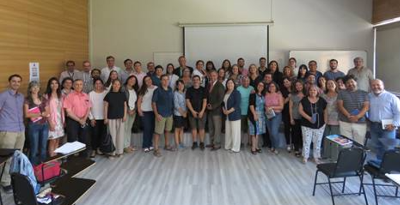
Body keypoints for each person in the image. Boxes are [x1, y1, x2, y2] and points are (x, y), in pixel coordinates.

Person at [0, 74, 25, 192]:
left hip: (20, 130)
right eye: (14, 81)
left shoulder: (21, 96)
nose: (16, 83)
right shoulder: (3, 96)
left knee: (17, 157)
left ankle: (14, 179)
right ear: (9, 82)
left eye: (18, 81)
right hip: (7, 131)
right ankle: (5, 182)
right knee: (7, 159)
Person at [368, 79, 400, 166]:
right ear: (371, 87)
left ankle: (388, 169)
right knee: (377, 146)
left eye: (378, 85)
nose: (375, 87)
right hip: (374, 125)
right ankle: (380, 166)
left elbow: (398, 113)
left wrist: (394, 125)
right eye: (373, 85)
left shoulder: (391, 97)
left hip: (388, 126)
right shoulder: (369, 96)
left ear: (383, 85)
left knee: (388, 148)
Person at [299, 85, 327, 164]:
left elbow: (325, 111)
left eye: (314, 90)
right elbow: (300, 111)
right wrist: (309, 118)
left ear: (318, 91)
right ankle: (305, 156)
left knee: (317, 141)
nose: (312, 92)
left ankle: (316, 157)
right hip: (306, 124)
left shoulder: (322, 100)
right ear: (308, 91)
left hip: (320, 125)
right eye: (311, 90)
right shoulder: (304, 100)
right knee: (306, 141)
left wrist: (325, 121)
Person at [337, 75, 369, 145]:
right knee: (345, 144)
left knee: (359, 144)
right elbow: (340, 106)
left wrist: (357, 117)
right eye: (347, 83)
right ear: (345, 84)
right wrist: (349, 116)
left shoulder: (364, 93)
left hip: (360, 123)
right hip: (345, 122)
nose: (350, 84)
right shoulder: (341, 93)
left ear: (356, 82)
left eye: (352, 82)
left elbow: (366, 107)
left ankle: (358, 156)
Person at [63, 79, 92, 158]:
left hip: (84, 119)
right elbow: (68, 111)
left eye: (80, 84)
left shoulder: (86, 95)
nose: (79, 86)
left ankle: (83, 158)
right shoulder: (69, 96)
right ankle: (71, 160)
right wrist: (79, 120)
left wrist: (84, 119)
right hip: (73, 121)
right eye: (77, 84)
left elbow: (89, 108)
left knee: (84, 139)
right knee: (72, 140)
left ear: (83, 86)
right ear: (73, 86)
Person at [24, 81, 49, 165]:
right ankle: (33, 168)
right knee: (34, 148)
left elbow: (48, 111)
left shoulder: (43, 98)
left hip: (44, 125)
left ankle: (42, 167)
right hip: (33, 126)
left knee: (43, 147)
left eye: (37, 87)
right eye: (33, 87)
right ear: (30, 89)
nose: (35, 89)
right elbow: (27, 114)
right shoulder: (27, 99)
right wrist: (40, 114)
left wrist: (42, 114)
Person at [152, 75, 174, 156]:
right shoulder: (157, 90)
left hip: (169, 114)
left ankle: (167, 145)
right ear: (161, 81)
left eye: (167, 79)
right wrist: (156, 114)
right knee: (158, 132)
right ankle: (156, 149)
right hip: (160, 115)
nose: (165, 81)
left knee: (168, 130)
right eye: (163, 80)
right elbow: (153, 103)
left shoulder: (170, 89)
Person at [104, 79, 127, 158]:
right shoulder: (108, 95)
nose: (116, 85)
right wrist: (105, 118)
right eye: (115, 84)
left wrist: (124, 116)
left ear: (120, 86)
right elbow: (106, 106)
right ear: (112, 85)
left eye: (118, 84)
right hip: (111, 118)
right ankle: (112, 153)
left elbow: (125, 106)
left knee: (120, 135)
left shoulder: (123, 94)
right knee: (112, 135)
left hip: (121, 118)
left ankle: (119, 152)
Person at [186, 75, 208, 150]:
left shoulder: (203, 89)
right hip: (192, 112)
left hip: (202, 112)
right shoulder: (189, 90)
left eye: (197, 80)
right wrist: (192, 111)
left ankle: (202, 142)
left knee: (201, 128)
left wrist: (202, 111)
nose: (195, 81)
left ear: (200, 81)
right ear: (192, 81)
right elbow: (187, 101)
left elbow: (205, 101)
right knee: (194, 128)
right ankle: (195, 143)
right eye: (194, 80)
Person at [45, 77, 65, 157]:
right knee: (52, 140)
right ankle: (51, 158)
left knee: (57, 139)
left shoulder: (61, 94)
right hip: (51, 120)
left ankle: (55, 156)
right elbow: (46, 111)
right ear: (49, 85)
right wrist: (50, 123)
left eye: (56, 83)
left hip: (60, 120)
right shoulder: (46, 96)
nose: (54, 85)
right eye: (52, 83)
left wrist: (63, 121)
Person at [206, 70, 225, 150]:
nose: (213, 77)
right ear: (209, 76)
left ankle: (217, 145)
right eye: (211, 75)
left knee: (217, 129)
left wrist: (212, 106)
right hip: (209, 110)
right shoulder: (209, 85)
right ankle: (212, 143)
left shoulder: (220, 85)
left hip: (217, 111)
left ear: (217, 76)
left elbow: (220, 99)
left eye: (214, 75)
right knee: (211, 127)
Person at [137, 76, 157, 152]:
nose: (148, 81)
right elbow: (139, 101)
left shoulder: (156, 88)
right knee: (147, 129)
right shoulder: (143, 90)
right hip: (145, 111)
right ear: (144, 82)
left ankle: (150, 144)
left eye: (149, 79)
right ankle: (145, 145)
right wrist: (139, 110)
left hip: (154, 111)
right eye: (146, 80)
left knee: (152, 129)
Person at [89, 78, 107, 157]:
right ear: (94, 85)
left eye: (100, 83)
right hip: (94, 118)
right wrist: (91, 118)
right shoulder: (90, 94)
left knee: (102, 134)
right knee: (94, 134)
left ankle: (99, 149)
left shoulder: (106, 93)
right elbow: (88, 107)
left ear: (102, 84)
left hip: (104, 117)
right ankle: (93, 149)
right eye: (96, 83)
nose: (98, 85)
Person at [265, 82, 284, 154]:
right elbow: (265, 105)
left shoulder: (278, 95)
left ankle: (276, 147)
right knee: (270, 132)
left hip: (277, 114)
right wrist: (266, 108)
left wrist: (272, 107)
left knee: (274, 132)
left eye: (273, 86)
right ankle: (273, 146)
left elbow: (281, 107)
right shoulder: (266, 95)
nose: (271, 88)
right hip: (268, 115)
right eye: (270, 86)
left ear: (276, 87)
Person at [223, 79, 242, 153]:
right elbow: (223, 103)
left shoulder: (236, 93)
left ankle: (235, 148)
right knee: (228, 131)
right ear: (226, 85)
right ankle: (228, 146)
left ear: (234, 84)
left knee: (235, 132)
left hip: (234, 115)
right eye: (228, 83)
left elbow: (237, 104)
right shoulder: (225, 92)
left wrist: (228, 111)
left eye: (231, 83)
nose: (230, 84)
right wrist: (224, 110)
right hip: (226, 115)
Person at [248, 81, 266, 155]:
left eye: (262, 85)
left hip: (261, 116)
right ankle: (253, 148)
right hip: (254, 115)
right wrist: (254, 114)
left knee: (258, 132)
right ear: (257, 85)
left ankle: (256, 146)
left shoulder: (262, 95)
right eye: (259, 85)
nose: (260, 86)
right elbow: (251, 105)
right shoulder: (253, 94)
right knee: (254, 132)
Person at [289, 80, 305, 157]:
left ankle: (303, 149)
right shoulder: (293, 95)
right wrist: (291, 118)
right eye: (297, 85)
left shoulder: (307, 94)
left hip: (305, 118)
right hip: (295, 117)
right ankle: (296, 149)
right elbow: (290, 108)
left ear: (303, 85)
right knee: (296, 134)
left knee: (304, 134)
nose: (298, 86)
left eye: (300, 85)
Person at [237, 76, 254, 147]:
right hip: (241, 112)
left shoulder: (252, 88)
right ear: (242, 81)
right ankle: (240, 142)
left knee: (250, 129)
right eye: (244, 80)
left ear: (249, 81)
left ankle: (250, 143)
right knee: (241, 128)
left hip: (250, 112)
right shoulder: (238, 88)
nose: (246, 82)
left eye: (247, 81)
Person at [124, 75, 139, 153]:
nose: (132, 81)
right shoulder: (123, 88)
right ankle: (124, 146)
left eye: (134, 80)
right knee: (124, 129)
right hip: (125, 112)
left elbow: (136, 102)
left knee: (129, 129)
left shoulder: (134, 90)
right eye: (131, 79)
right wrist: (128, 110)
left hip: (133, 112)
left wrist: (134, 110)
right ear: (128, 79)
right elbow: (122, 101)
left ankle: (128, 144)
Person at [173, 80, 187, 150]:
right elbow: (176, 105)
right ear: (177, 86)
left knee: (182, 128)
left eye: (182, 84)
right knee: (177, 129)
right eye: (179, 84)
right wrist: (182, 113)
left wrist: (185, 113)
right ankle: (177, 144)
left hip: (184, 114)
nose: (180, 86)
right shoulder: (175, 93)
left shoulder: (185, 93)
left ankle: (181, 143)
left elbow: (186, 104)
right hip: (178, 114)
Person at [281, 77, 293, 152]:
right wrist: (288, 97)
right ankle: (288, 144)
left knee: (295, 129)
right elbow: (283, 103)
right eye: (284, 82)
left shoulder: (295, 89)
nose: (286, 83)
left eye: (287, 81)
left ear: (290, 82)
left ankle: (295, 143)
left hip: (295, 112)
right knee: (287, 128)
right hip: (285, 112)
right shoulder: (282, 92)